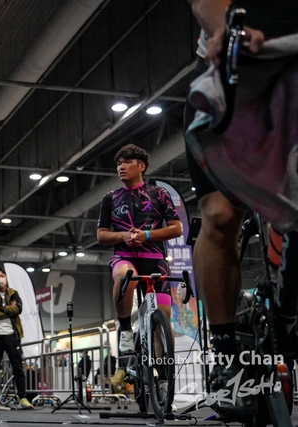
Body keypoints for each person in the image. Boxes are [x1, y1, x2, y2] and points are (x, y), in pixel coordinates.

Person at [185, 0, 298, 420]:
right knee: (219, 215)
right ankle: (225, 352)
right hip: (239, 72)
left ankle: (288, 307)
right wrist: (225, 32)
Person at [97, 144, 182, 354]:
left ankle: (163, 368)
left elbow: (176, 228)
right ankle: (125, 329)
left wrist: (146, 235)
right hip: (123, 257)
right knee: (125, 276)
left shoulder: (159, 194)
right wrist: (123, 236)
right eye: (119, 164)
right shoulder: (110, 198)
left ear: (141, 166)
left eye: (127, 162)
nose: (121, 167)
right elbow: (101, 234)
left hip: (155, 260)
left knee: (163, 317)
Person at [0, 267, 33, 410]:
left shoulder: (13, 293)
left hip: (12, 335)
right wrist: (9, 309)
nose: (0, 278)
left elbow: (19, 308)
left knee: (17, 367)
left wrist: (1, 309)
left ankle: (23, 398)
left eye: (2, 275)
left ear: (6, 277)